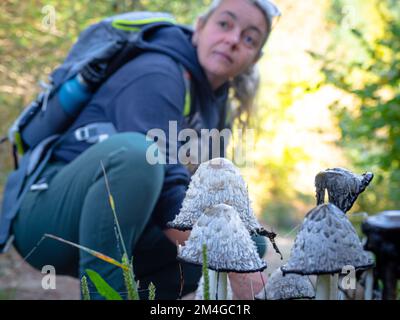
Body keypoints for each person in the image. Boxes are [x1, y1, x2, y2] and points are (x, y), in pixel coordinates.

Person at [10, 0, 281, 299]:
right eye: (224, 24)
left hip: (122, 226)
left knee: (249, 241)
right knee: (138, 157)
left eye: (249, 38)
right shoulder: (158, 71)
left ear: (255, 58)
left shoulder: (214, 104)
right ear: (199, 28)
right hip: (47, 218)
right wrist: (231, 257)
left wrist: (236, 247)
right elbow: (166, 186)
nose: (232, 40)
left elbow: (205, 197)